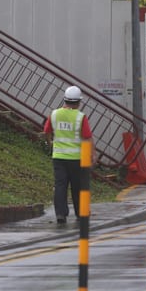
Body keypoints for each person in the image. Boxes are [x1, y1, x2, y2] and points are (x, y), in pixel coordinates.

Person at [44, 85, 94, 224]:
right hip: (76, 158)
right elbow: (87, 137)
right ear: (78, 102)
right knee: (77, 186)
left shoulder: (54, 114)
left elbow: (47, 131)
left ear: (65, 100)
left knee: (60, 185)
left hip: (59, 157)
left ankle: (60, 214)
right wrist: (91, 155)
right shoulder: (80, 117)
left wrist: (50, 144)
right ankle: (80, 213)